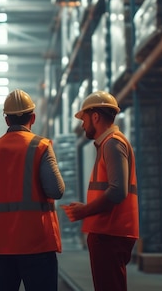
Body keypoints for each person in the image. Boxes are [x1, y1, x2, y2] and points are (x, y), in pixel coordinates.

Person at [0, 89, 65, 291]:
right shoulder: (40, 146)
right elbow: (56, 190)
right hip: (37, 242)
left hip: (1, 244)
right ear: (33, 117)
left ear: (7, 120)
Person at [61, 90, 139, 291]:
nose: (82, 124)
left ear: (95, 116)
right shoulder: (107, 144)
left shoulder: (112, 143)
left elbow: (117, 191)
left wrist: (84, 211)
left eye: (84, 118)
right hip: (108, 231)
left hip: (110, 232)